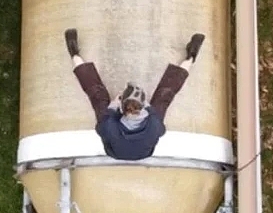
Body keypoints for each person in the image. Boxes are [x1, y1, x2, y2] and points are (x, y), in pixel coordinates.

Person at [64, 27, 205, 161]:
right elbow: (161, 131)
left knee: (97, 96)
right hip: (142, 151)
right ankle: (191, 57)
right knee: (164, 96)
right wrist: (150, 110)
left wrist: (112, 108)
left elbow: (100, 129)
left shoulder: (109, 125)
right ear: (145, 106)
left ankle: (74, 54)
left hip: (115, 151)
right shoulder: (154, 123)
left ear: (121, 104)